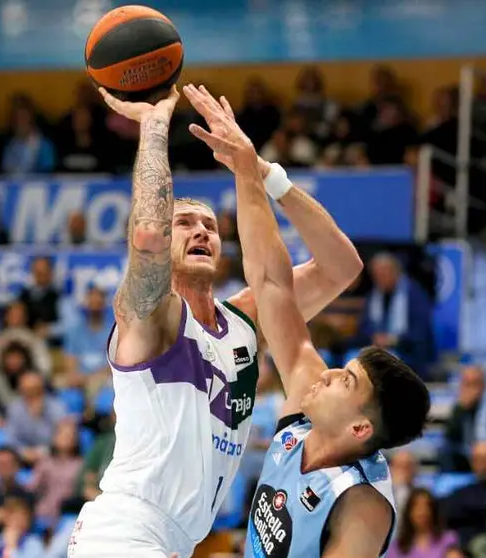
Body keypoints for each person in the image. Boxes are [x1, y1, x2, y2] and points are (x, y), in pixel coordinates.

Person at [68, 82, 364, 558]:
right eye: (184, 224)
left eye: (210, 226)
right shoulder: (154, 317)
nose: (201, 231)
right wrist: (153, 128)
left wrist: (262, 172)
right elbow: (147, 234)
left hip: (177, 541)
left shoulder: (246, 321)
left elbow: (342, 267)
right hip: (124, 531)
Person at [179, 83, 429, 557]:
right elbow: (271, 282)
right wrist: (252, 172)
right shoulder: (307, 411)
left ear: (360, 429)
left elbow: (338, 268)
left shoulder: (362, 505)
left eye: (345, 382)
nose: (328, 373)